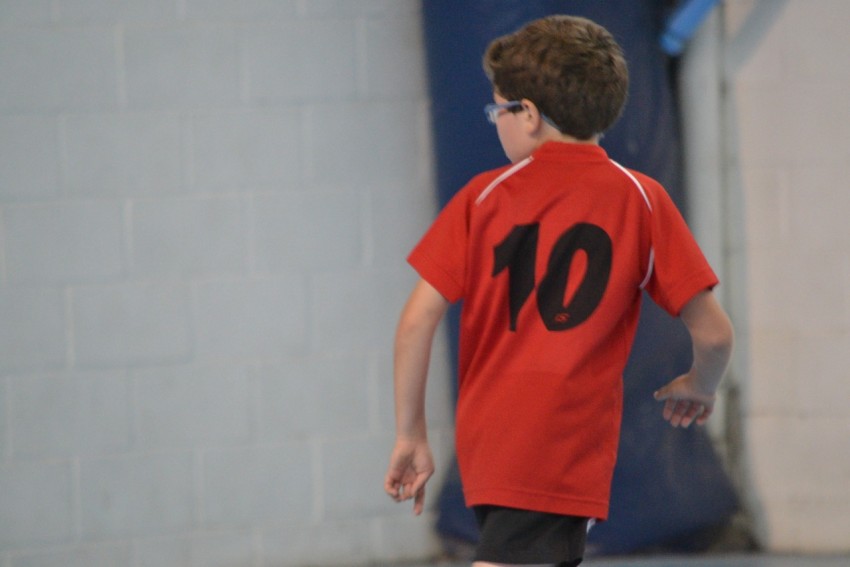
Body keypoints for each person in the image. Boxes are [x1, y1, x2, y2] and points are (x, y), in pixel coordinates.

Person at [383, 14, 734, 567]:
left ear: (527, 115)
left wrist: (411, 433)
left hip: (492, 442)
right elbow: (714, 334)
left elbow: (416, 321)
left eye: (497, 110)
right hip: (565, 443)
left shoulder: (481, 198)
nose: (495, 122)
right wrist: (701, 385)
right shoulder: (640, 199)